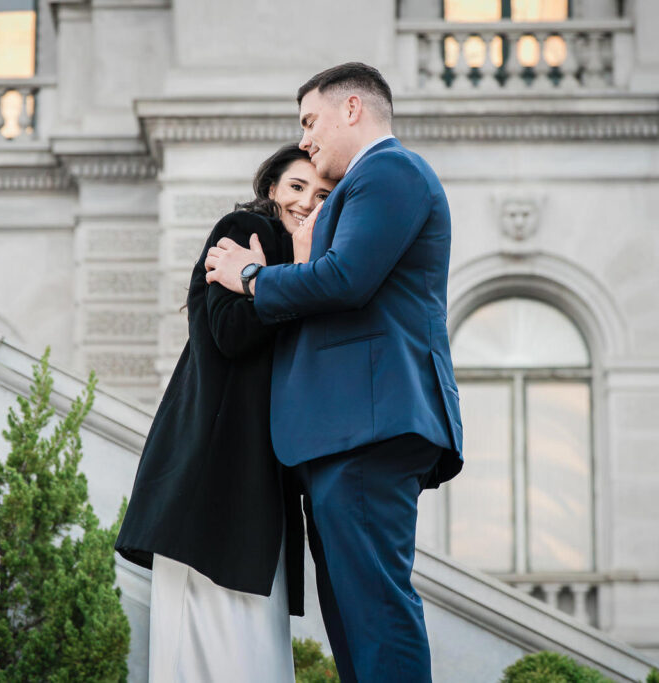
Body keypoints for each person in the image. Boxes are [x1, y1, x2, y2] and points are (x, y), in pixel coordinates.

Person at [204, 62, 464, 682]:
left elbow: (346, 279)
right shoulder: (366, 184)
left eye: (310, 121)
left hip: (368, 429)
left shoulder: (390, 171)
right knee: (350, 617)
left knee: (374, 612)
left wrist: (249, 277)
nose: (306, 140)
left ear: (352, 109)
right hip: (341, 433)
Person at [114, 144, 336, 682]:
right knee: (207, 655)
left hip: (257, 484)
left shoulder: (317, 264)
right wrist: (288, 274)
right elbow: (232, 334)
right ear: (271, 191)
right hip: (211, 481)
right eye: (297, 187)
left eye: (323, 194)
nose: (307, 202)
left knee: (254, 655)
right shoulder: (242, 230)